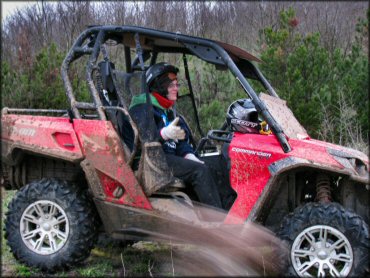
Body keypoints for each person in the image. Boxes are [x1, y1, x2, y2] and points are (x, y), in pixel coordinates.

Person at [129, 62, 223, 209]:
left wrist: (188, 155)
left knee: (214, 164)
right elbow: (145, 137)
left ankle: (223, 214)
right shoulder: (142, 106)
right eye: (172, 85)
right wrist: (163, 134)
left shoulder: (169, 111)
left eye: (177, 85)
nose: (176, 89)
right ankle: (217, 221)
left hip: (168, 158)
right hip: (152, 160)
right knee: (200, 171)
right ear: (160, 86)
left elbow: (181, 142)